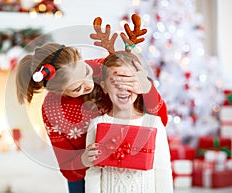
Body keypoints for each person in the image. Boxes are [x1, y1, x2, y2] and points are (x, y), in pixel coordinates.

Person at [15, 42, 168, 193]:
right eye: (77, 88)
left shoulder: (107, 69)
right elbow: (69, 171)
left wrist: (146, 87)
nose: (88, 84)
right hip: (86, 173)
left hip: (131, 164)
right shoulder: (52, 109)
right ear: (59, 91)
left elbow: (160, 121)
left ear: (81, 57)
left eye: (86, 72)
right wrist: (83, 160)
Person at [85, 51, 173, 193]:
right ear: (104, 87)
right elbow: (93, 173)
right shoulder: (96, 125)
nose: (123, 88)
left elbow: (163, 172)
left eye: (130, 82)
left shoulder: (154, 124)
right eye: (116, 82)